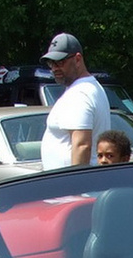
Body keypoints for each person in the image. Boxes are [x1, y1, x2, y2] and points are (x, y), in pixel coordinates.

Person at [40, 32, 111, 170]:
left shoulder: (80, 94)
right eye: (51, 63)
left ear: (78, 59)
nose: (55, 68)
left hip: (70, 186)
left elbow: (82, 145)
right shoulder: (88, 88)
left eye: (60, 62)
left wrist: (75, 188)